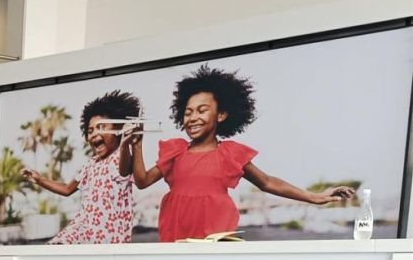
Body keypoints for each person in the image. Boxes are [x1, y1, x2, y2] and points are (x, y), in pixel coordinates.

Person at [122, 64, 354, 242]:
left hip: (215, 237)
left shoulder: (229, 154)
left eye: (202, 110)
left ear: (221, 115)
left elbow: (267, 182)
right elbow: (142, 181)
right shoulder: (176, 151)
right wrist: (137, 145)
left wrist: (315, 196)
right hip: (175, 236)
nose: (192, 118)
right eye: (188, 112)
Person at [23, 89, 142, 245]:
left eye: (101, 127)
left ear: (118, 130)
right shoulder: (91, 164)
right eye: (90, 131)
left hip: (109, 238)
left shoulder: (120, 156)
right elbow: (67, 189)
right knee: (53, 248)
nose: (94, 134)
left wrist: (125, 144)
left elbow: (124, 170)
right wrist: (40, 180)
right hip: (83, 232)